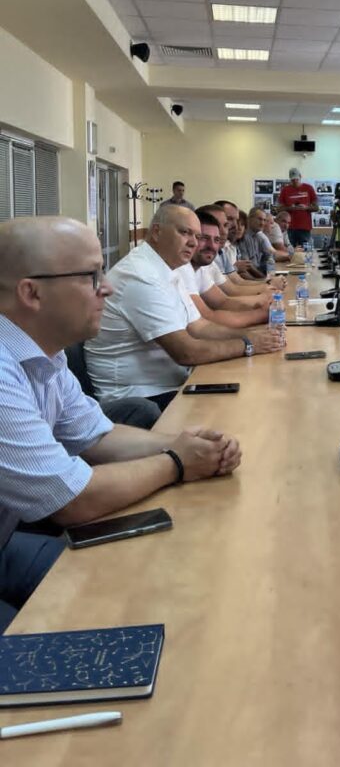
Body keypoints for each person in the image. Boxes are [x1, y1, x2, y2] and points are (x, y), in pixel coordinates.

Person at [0, 216, 242, 629]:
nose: (107, 288)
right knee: (65, 643)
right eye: (91, 276)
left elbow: (98, 436)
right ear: (31, 292)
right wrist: (177, 463)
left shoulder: (45, 354)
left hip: (6, 544)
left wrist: (187, 444)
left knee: (129, 589)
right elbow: (72, 500)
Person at [85, 205, 283, 411]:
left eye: (196, 236)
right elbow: (186, 352)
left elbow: (200, 327)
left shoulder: (169, 268)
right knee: (244, 406)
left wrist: (252, 336)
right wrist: (249, 345)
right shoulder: (140, 275)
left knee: (255, 390)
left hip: (171, 383)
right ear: (156, 232)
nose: (193, 242)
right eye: (185, 232)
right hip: (140, 398)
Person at [276, 169, 319, 248]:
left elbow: (316, 208)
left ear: (300, 176)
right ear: (290, 179)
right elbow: (279, 209)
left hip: (304, 228)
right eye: (293, 180)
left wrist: (306, 208)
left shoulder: (309, 188)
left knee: (305, 251)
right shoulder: (285, 190)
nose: (295, 181)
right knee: (289, 251)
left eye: (297, 179)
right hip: (289, 228)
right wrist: (290, 208)